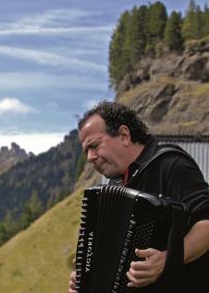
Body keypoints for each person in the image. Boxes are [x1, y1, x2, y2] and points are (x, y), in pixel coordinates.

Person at [68, 101, 209, 293]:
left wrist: (167, 259)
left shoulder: (170, 164)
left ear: (124, 135)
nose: (90, 157)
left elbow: (206, 223)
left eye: (94, 146)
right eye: (87, 151)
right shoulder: (114, 187)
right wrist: (86, 277)